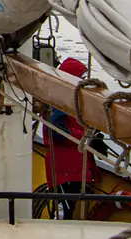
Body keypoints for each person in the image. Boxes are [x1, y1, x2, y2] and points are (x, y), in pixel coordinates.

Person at [44, 56, 105, 218]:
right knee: (63, 213)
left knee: (67, 212)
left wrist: (94, 138)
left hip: (76, 170)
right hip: (65, 171)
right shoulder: (60, 101)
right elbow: (57, 132)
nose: (85, 82)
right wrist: (87, 138)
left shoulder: (74, 102)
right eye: (82, 78)